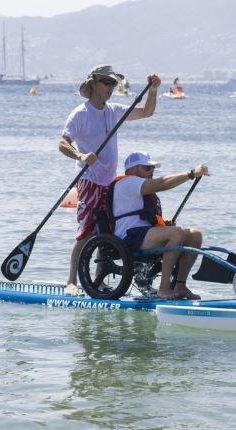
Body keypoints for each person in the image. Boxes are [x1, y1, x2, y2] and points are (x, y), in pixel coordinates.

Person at [58, 65, 161, 295]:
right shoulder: (80, 114)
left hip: (110, 184)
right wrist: (81, 155)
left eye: (114, 84)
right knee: (86, 232)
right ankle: (71, 281)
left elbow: (146, 112)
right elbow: (62, 143)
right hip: (89, 181)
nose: (111, 88)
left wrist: (153, 90)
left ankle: (99, 279)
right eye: (107, 83)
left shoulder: (113, 111)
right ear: (93, 83)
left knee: (108, 233)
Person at [109, 151, 209, 300]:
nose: (152, 172)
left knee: (195, 235)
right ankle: (164, 289)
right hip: (128, 237)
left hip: (143, 233)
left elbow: (144, 216)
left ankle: (180, 286)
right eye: (147, 168)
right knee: (177, 233)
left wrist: (164, 224)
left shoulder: (139, 186)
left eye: (153, 169)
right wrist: (191, 174)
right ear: (133, 169)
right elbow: (162, 183)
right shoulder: (127, 182)